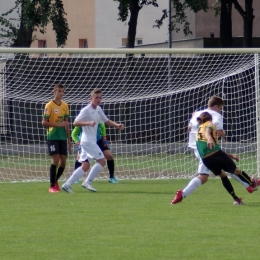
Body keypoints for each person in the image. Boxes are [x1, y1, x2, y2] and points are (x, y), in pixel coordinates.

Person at [171, 96, 258, 205]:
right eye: (220, 108)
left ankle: (242, 192)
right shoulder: (215, 117)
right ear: (216, 107)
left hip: (197, 148)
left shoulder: (198, 114)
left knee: (222, 173)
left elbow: (189, 128)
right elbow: (219, 132)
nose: (220, 111)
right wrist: (213, 137)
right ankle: (250, 184)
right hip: (209, 148)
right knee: (206, 176)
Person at [62, 88, 124, 193]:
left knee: (85, 166)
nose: (98, 99)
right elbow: (75, 122)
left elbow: (106, 120)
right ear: (91, 98)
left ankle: (67, 184)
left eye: (100, 97)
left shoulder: (99, 109)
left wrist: (117, 125)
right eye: (96, 97)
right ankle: (88, 182)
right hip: (87, 142)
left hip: (91, 141)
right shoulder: (86, 110)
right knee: (102, 160)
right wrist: (88, 123)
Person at [42, 83, 72, 193]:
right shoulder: (49, 105)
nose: (61, 93)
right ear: (54, 92)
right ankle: (52, 186)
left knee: (63, 162)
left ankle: (55, 181)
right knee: (55, 160)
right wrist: (58, 125)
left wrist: (69, 139)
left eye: (62, 91)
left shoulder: (65, 105)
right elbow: (44, 123)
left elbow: (66, 123)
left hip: (63, 137)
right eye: (59, 91)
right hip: (52, 136)